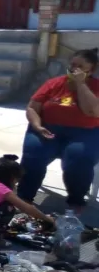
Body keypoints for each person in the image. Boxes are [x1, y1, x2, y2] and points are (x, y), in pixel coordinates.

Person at [18, 48, 99, 210]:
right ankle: (24, 197)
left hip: (83, 132)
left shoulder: (95, 87)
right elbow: (32, 107)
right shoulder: (54, 83)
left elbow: (92, 111)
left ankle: (76, 200)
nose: (73, 69)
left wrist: (81, 84)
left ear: (91, 70)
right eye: (72, 65)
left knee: (79, 159)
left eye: (80, 66)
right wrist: (37, 126)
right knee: (34, 154)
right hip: (47, 129)